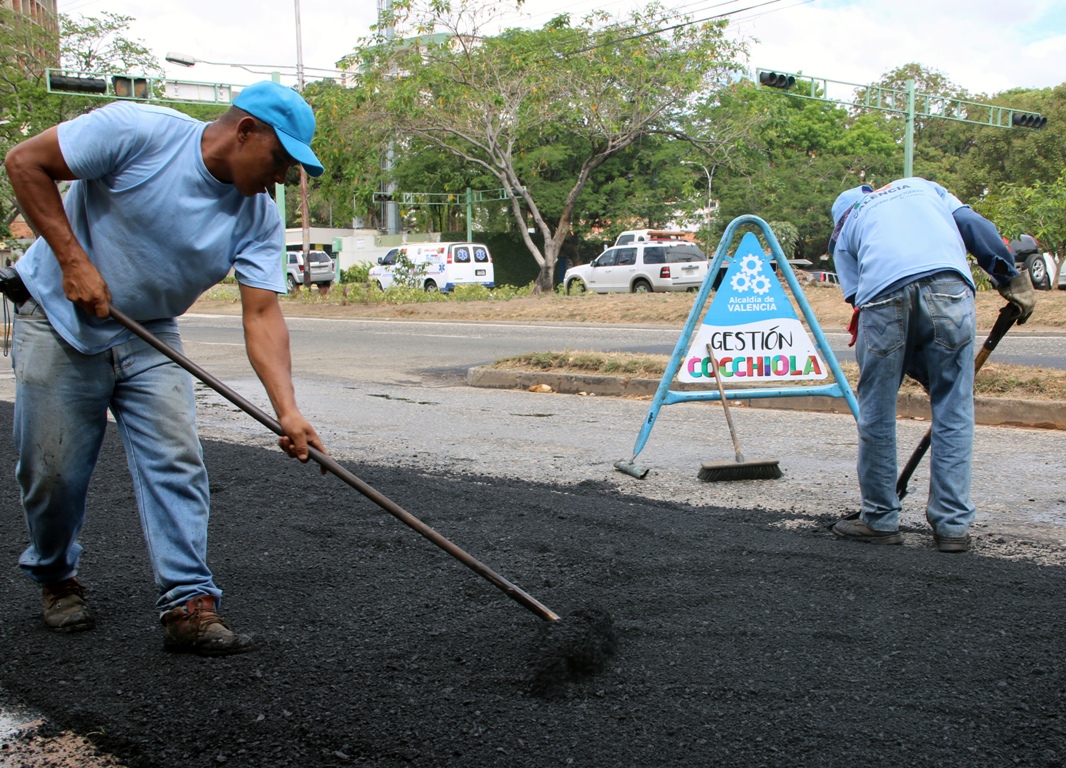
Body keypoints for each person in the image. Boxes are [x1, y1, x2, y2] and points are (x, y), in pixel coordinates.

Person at [2, 81, 327, 655]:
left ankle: (188, 603)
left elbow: (262, 315)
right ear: (245, 130)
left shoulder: (259, 216)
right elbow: (25, 161)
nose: (280, 178)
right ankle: (55, 577)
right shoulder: (139, 132)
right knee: (52, 470)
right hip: (56, 316)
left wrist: (288, 411)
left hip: (149, 331)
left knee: (176, 459)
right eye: (279, 159)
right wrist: (73, 260)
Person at [827, 177, 1035, 553]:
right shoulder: (923, 188)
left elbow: (861, 301)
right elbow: (976, 228)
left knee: (876, 410)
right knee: (953, 408)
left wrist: (910, 365)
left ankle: (879, 519)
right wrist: (1009, 278)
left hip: (882, 297)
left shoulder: (844, 232)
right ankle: (952, 527)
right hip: (950, 289)